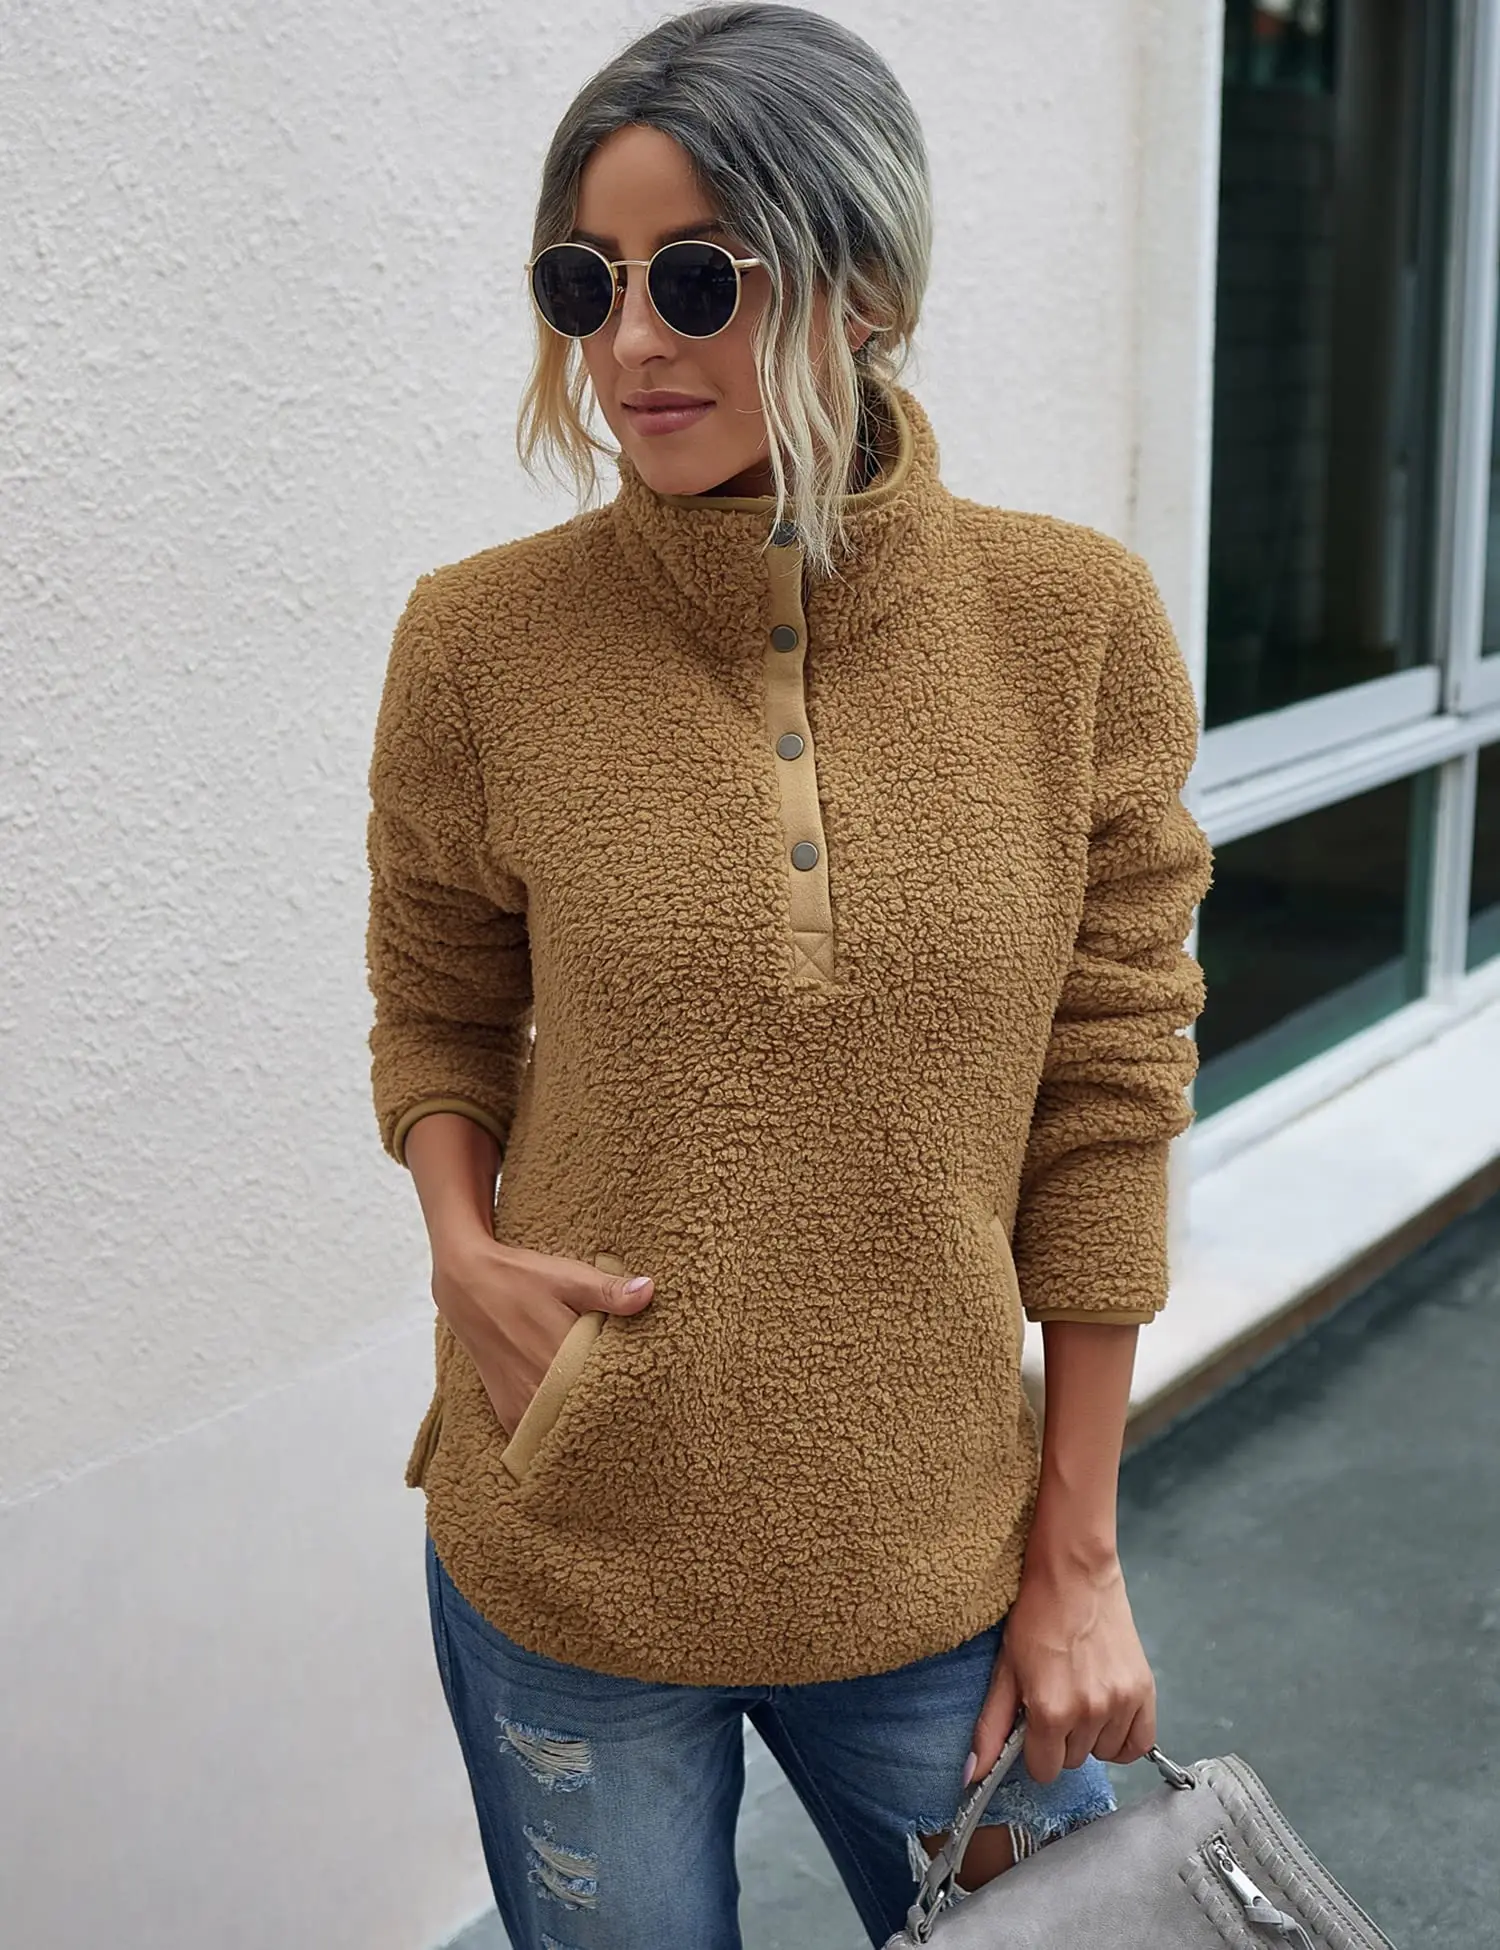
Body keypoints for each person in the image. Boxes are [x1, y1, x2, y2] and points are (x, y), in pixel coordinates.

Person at [363, 6, 1214, 1946]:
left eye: (694, 278)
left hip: (936, 1564)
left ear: (867, 285)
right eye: (583, 282)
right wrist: (461, 1247)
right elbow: (435, 998)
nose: (627, 343)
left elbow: (1110, 1085)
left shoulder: (1071, 622)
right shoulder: (478, 642)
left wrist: (1077, 1552)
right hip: (571, 1549)